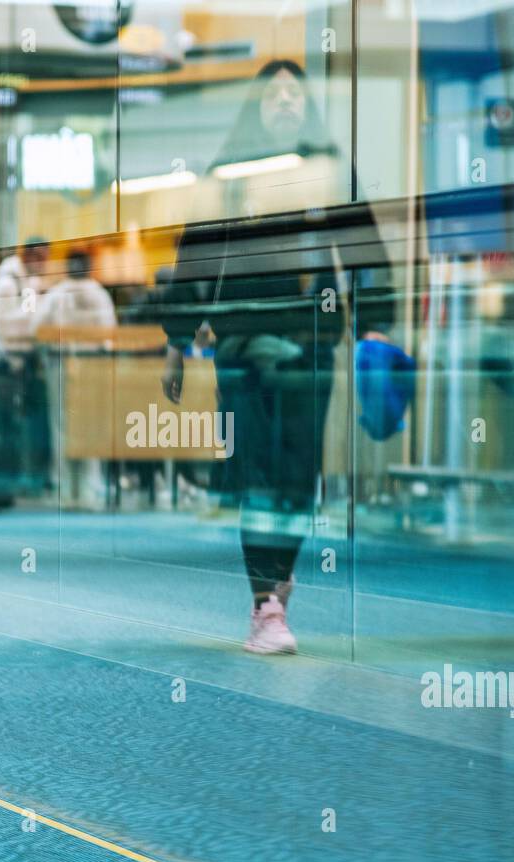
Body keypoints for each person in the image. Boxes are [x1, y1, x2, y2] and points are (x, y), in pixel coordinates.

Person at [160, 59, 388, 655]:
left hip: (311, 348)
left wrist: (379, 328)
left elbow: (367, 253)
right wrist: (177, 342)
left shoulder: (332, 174)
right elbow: (193, 263)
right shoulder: (229, 178)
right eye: (273, 93)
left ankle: (275, 595)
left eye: (295, 93)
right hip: (242, 352)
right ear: (255, 107)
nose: (285, 101)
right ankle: (266, 604)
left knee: (296, 479)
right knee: (259, 478)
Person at [35, 247, 117, 508]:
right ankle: (90, 488)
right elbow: (110, 335)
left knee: (61, 425)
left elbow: (37, 327)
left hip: (60, 366)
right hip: (92, 367)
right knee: (91, 425)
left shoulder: (57, 294)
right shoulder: (100, 295)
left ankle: (64, 486)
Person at [0, 237, 50, 347]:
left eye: (45, 259)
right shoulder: (6, 284)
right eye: (39, 258)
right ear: (26, 256)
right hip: (10, 352)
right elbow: (4, 325)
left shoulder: (30, 280)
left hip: (25, 348)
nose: (43, 264)